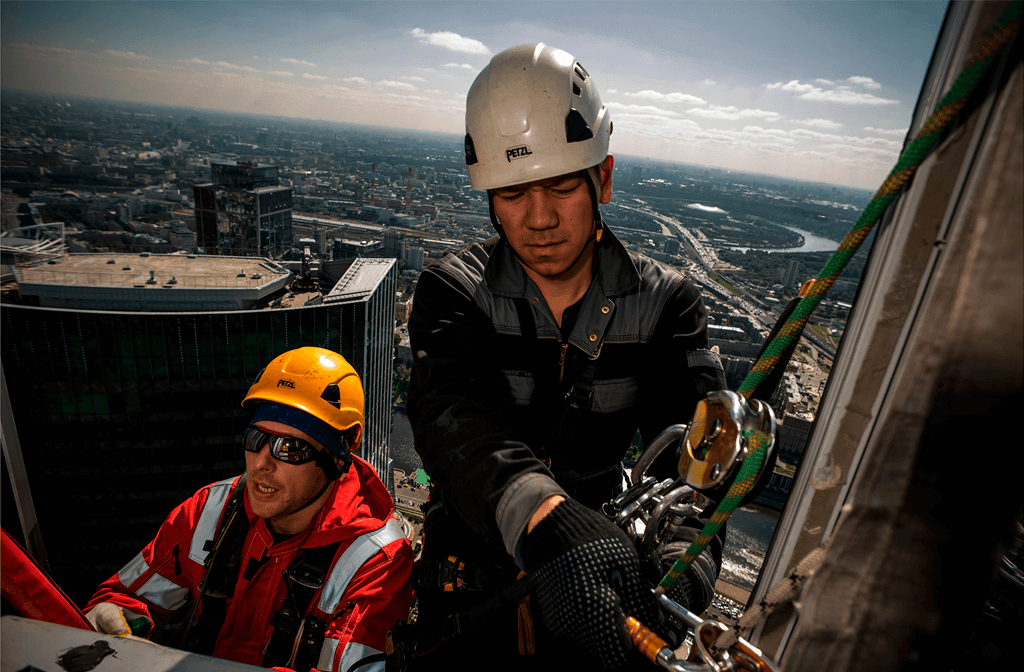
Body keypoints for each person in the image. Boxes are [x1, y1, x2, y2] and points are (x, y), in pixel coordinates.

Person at [407, 43, 728, 670]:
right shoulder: (457, 291)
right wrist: (544, 517)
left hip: (602, 576)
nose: (539, 218)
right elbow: (450, 420)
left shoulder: (665, 305)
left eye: (560, 187)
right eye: (513, 195)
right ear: (491, 200)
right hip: (472, 590)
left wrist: (686, 560)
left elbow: (697, 457)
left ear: (602, 178)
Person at [85, 347, 413, 672]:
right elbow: (132, 594)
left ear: (335, 460)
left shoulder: (376, 562)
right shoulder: (209, 510)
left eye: (289, 448)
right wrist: (115, 612)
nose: (260, 464)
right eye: (256, 438)